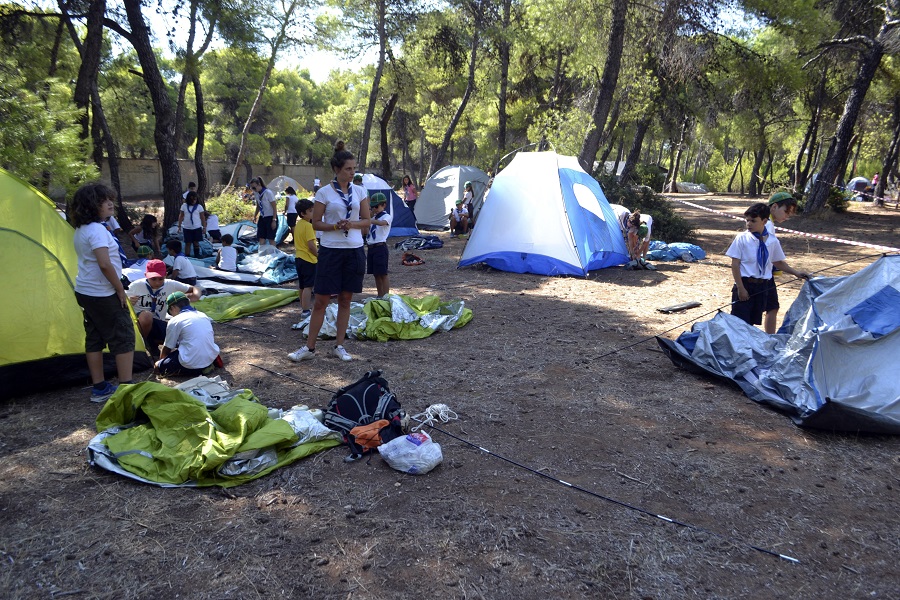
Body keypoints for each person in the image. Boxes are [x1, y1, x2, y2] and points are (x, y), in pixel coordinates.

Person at [288, 140, 371, 363]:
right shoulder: (324, 193)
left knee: (345, 300)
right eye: (348, 169)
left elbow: (366, 221)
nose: (352, 172)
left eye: (354, 168)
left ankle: (339, 346)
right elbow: (315, 223)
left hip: (354, 250)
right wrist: (335, 226)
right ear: (337, 169)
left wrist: (352, 225)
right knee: (322, 300)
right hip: (331, 251)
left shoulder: (360, 191)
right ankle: (309, 348)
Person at [70, 183, 135, 402]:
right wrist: (119, 290)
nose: (110, 204)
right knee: (123, 335)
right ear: (91, 205)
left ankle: (100, 388)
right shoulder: (97, 230)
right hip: (102, 293)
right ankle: (127, 390)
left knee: (95, 337)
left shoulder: (81, 229)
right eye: (103, 201)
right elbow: (105, 264)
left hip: (85, 291)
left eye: (110, 199)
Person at [726, 203, 810, 331]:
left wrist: (796, 273)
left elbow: (778, 262)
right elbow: (735, 264)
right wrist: (741, 288)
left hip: (763, 285)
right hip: (745, 284)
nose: (749, 224)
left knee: (753, 322)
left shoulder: (772, 241)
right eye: (747, 220)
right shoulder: (742, 238)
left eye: (753, 221)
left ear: (764, 221)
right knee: (741, 324)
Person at [127, 259, 200, 354]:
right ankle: (143, 346)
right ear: (146, 275)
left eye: (160, 279)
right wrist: (128, 300)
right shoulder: (136, 286)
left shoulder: (170, 284)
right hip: (139, 325)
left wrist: (196, 295)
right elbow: (120, 300)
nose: (157, 282)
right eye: (153, 279)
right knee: (146, 316)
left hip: (158, 322)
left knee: (179, 339)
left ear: (165, 275)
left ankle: (152, 342)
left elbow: (194, 288)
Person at [155, 292, 221, 376]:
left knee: (157, 365)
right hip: (210, 359)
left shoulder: (175, 320)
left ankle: (196, 370)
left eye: (170, 312)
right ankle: (205, 367)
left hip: (189, 365)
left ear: (173, 307)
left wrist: (161, 362)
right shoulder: (203, 315)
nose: (172, 315)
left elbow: (167, 347)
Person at [764, 192, 800, 333]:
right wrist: (794, 272)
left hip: (765, 273)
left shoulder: (767, 222)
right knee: (772, 307)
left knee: (772, 306)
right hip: (761, 275)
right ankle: (770, 338)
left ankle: (769, 337)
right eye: (785, 211)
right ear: (774, 207)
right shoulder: (767, 225)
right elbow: (773, 256)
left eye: (789, 214)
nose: (787, 216)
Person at [293, 199, 318, 320]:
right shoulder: (308, 226)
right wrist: (318, 255)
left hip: (299, 258)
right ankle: (306, 310)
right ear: (303, 213)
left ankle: (303, 308)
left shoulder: (298, 224)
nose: (313, 213)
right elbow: (311, 245)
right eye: (310, 211)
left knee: (302, 286)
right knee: (309, 286)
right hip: (308, 259)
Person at [367, 192, 392, 297]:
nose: (375, 209)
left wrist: (370, 220)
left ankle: (386, 296)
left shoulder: (386, 216)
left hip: (380, 247)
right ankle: (379, 295)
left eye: (377, 206)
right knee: (376, 274)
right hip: (371, 247)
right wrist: (369, 216)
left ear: (384, 205)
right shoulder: (373, 217)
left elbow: (382, 223)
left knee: (383, 273)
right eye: (373, 207)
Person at [250, 176, 278, 247]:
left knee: (270, 238)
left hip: (270, 217)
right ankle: (262, 254)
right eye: (252, 188)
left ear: (259, 184)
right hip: (262, 217)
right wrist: (255, 216)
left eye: (254, 187)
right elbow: (258, 206)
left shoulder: (268, 192)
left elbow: (274, 207)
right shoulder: (256, 194)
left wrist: (274, 220)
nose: (253, 190)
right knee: (261, 237)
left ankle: (274, 254)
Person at [177, 190, 206, 258]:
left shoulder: (199, 207)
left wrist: (204, 227)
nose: (194, 201)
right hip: (187, 228)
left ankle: (197, 255)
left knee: (196, 242)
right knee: (188, 243)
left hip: (197, 227)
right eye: (192, 199)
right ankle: (187, 256)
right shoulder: (184, 206)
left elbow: (202, 217)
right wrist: (179, 226)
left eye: (195, 199)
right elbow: (181, 216)